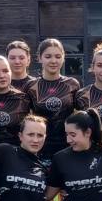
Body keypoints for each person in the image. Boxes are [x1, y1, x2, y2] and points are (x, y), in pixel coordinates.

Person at [25, 38, 81, 166]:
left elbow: (78, 118)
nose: (53, 61)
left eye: (58, 56)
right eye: (48, 56)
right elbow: (25, 119)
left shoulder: (72, 84)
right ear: (39, 58)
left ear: (63, 58)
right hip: (40, 145)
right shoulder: (31, 86)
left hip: (67, 144)